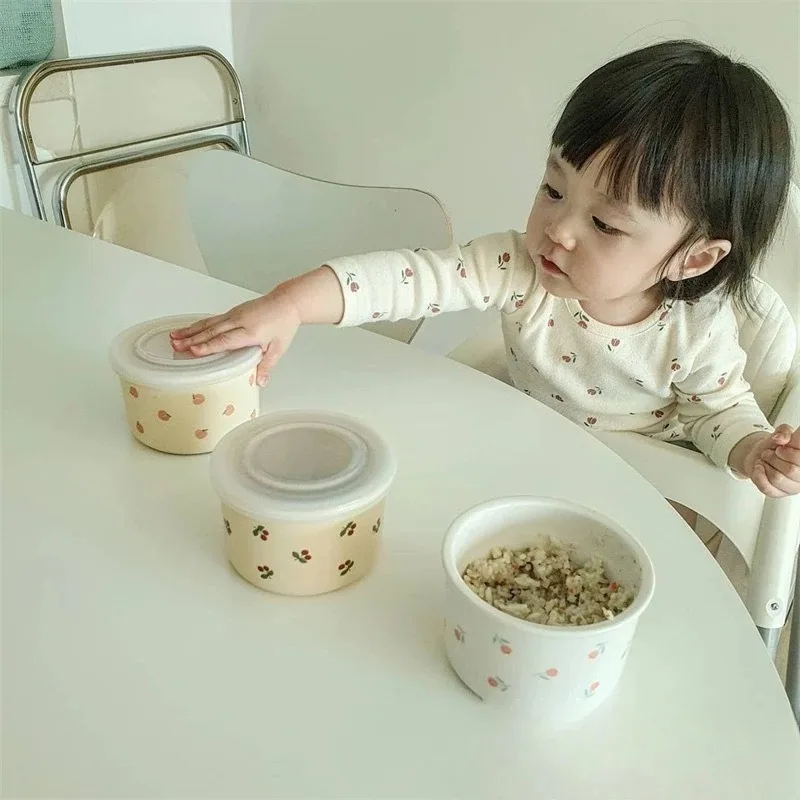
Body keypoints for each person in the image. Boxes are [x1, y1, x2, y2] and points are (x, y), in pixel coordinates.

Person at [171, 39, 799, 501]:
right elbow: (406, 280)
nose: (559, 231)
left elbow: (717, 413)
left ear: (696, 259)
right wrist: (289, 304)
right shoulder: (521, 267)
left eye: (606, 225)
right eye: (553, 189)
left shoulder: (697, 329)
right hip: (528, 455)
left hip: (638, 486)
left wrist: (753, 451)